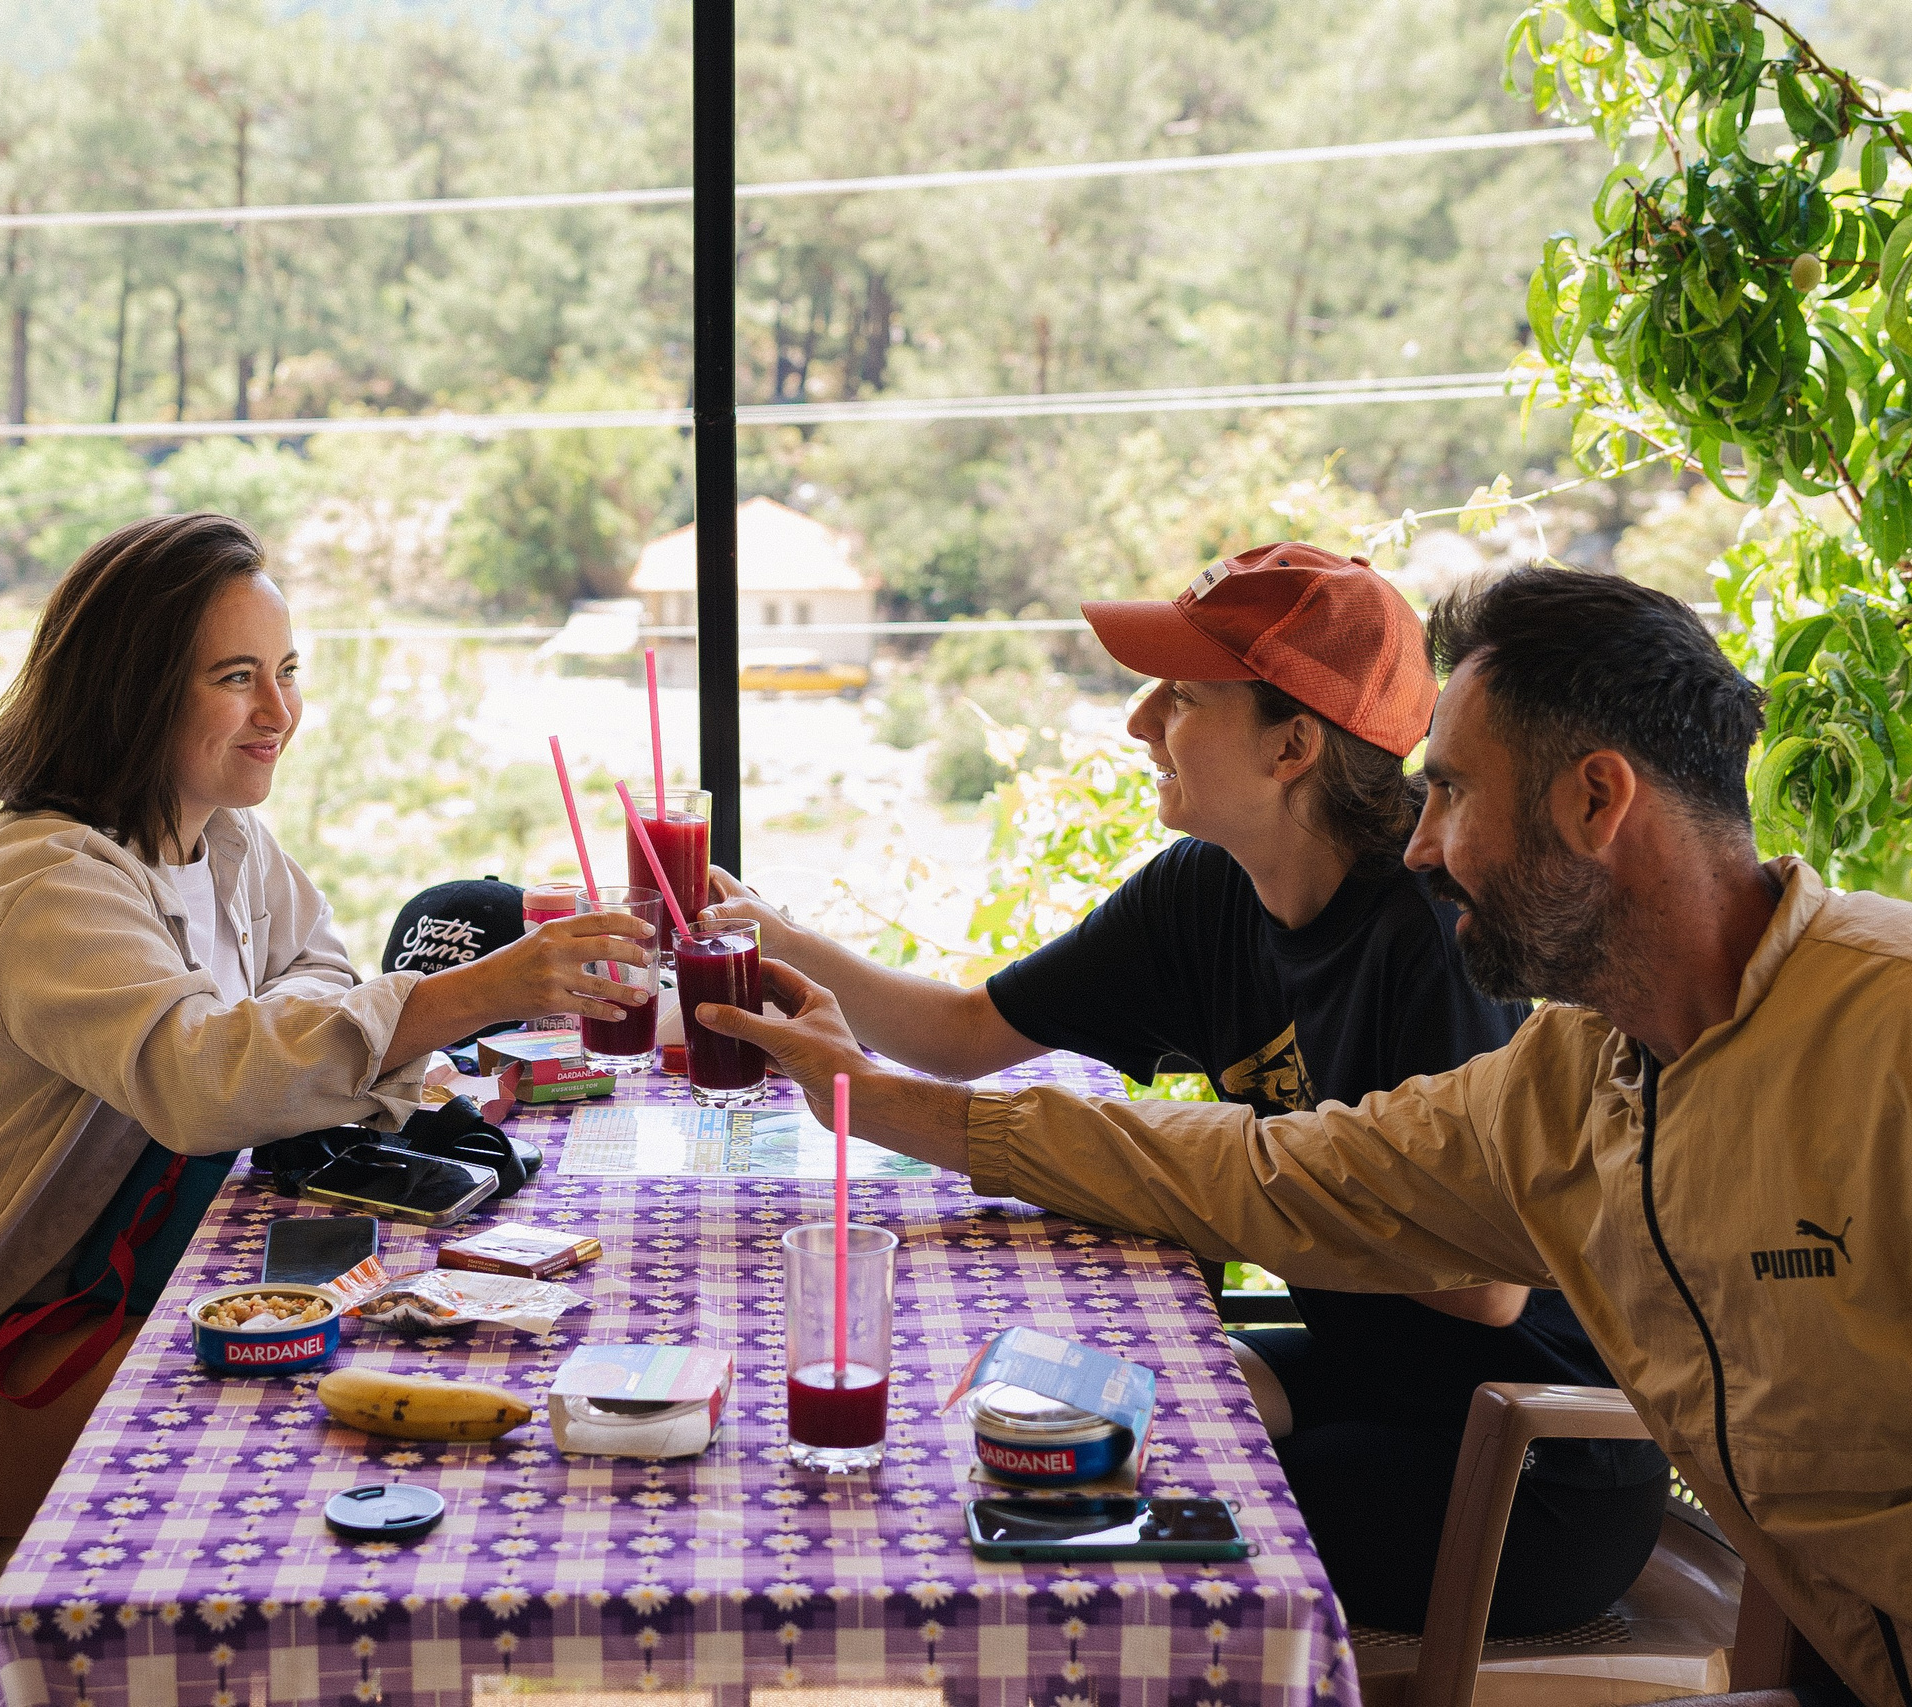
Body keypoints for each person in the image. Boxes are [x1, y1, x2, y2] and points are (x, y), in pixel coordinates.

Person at [709, 567, 1912, 1707]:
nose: (1422, 845)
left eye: (1452, 792)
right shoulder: (1570, 1077)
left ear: (1596, 800)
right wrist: (879, 1099)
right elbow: (1266, 1173)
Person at [708, 541, 1665, 1635]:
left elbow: (1473, 1285)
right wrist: (767, 934)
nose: (1139, 722)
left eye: (1182, 699)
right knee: (1013, 1418)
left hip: (1528, 1463)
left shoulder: (1428, 933)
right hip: (1375, 1380)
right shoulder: (1206, 890)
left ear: (1291, 745)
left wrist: (1179, 1175)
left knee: (1046, 1527)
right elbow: (966, 1034)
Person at [0, 512, 654, 1533]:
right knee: (286, 1447)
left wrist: (256, 1048)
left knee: (372, 1346)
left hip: (78, 1298)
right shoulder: (45, 883)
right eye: (235, 678)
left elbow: (314, 969)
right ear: (132, 696)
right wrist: (479, 990)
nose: (279, 710)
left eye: (288, 670)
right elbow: (200, 1086)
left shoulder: (221, 839)